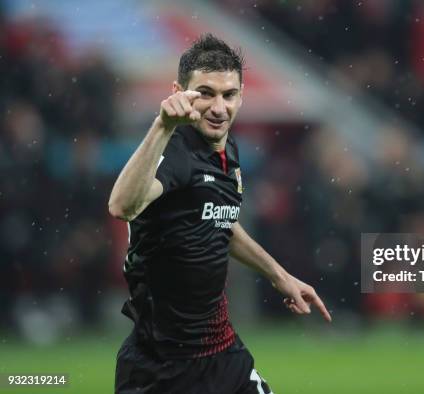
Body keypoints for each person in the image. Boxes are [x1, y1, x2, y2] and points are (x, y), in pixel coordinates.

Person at [108, 33, 331, 394]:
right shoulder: (174, 152)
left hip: (222, 354)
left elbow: (219, 220)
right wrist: (162, 125)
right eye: (205, 93)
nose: (218, 107)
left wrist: (279, 275)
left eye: (229, 95)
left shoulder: (228, 151)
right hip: (161, 367)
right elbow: (122, 205)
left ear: (241, 96)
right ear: (179, 91)